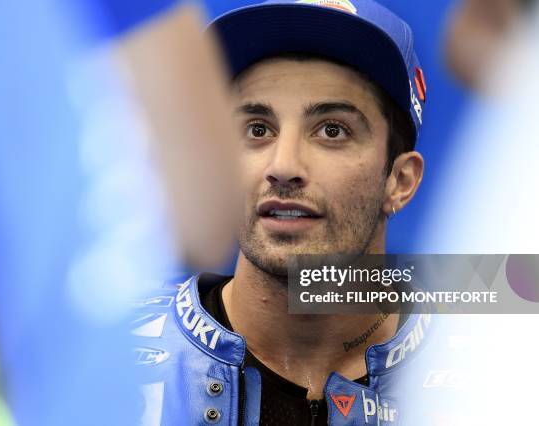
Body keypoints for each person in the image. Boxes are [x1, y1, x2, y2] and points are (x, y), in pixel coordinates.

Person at [132, 1, 431, 424]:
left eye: (332, 130)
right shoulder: (105, 360)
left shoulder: (506, 378)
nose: (283, 167)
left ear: (399, 181)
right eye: (257, 129)